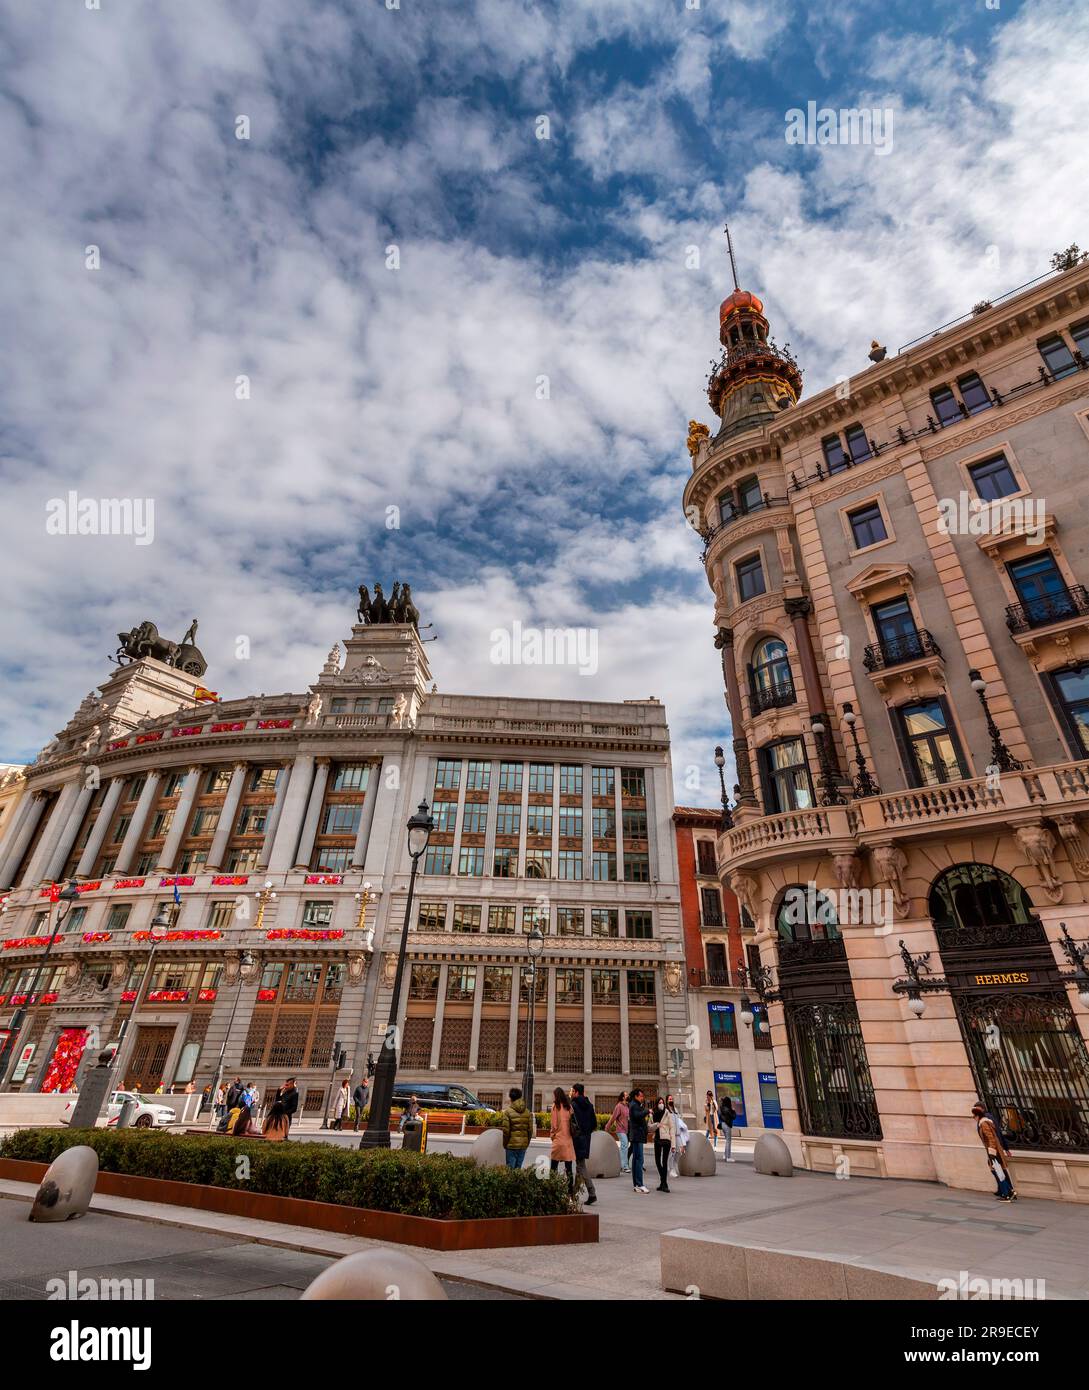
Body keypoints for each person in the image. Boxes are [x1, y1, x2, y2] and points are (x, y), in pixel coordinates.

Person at [972, 1101, 1016, 1201]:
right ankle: (1008, 1191)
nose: (973, 1118)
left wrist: (992, 1153)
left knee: (998, 1171)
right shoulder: (986, 1120)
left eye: (974, 1115)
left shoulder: (984, 1122)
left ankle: (1007, 1193)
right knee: (998, 1170)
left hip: (994, 1151)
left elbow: (992, 1138)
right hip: (996, 1150)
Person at [569, 1082, 598, 1206]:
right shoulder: (589, 1105)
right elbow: (594, 1124)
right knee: (580, 1165)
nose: (570, 1093)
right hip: (586, 1138)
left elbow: (569, 1123)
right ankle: (574, 1193)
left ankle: (592, 1192)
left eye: (572, 1091)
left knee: (581, 1166)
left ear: (576, 1092)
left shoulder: (573, 1105)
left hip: (576, 1138)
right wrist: (586, 1132)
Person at [549, 1085, 575, 1193]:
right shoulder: (568, 1106)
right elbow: (573, 1120)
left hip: (558, 1140)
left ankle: (552, 1189)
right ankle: (570, 1191)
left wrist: (552, 1136)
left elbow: (554, 1125)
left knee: (553, 1167)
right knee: (568, 1168)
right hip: (568, 1140)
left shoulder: (555, 1106)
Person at [500, 1086, 534, 1169]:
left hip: (511, 1146)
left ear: (511, 1098)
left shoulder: (508, 1112)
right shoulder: (527, 1112)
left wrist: (505, 1144)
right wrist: (526, 1143)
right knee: (518, 1169)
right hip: (523, 1145)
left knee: (510, 1169)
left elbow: (506, 1131)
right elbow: (530, 1130)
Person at [628, 1087, 650, 1193]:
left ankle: (637, 1184)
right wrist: (646, 1111)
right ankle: (639, 1184)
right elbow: (637, 1116)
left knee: (636, 1160)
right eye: (641, 1096)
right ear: (636, 1096)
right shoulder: (634, 1105)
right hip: (637, 1136)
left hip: (637, 1136)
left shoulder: (635, 1104)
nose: (642, 1098)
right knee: (639, 1160)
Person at [652, 1094, 674, 1192]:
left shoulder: (667, 1113)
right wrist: (656, 1125)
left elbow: (672, 1128)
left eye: (662, 1102)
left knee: (664, 1162)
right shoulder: (653, 1114)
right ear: (656, 1104)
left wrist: (673, 1144)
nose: (661, 1104)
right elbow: (649, 1127)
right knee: (657, 1162)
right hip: (657, 1139)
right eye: (659, 1103)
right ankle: (663, 1182)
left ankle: (664, 1184)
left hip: (666, 1140)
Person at [607, 1091, 630, 1172]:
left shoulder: (627, 1106)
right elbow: (613, 1117)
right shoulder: (619, 1106)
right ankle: (625, 1166)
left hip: (626, 1130)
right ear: (623, 1097)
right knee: (624, 1145)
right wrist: (607, 1126)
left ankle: (620, 1164)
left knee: (624, 1146)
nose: (628, 1096)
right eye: (626, 1095)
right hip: (620, 1129)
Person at [669, 1097, 688, 1179]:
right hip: (671, 1134)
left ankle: (674, 1165)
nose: (671, 1100)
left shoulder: (675, 1110)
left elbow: (679, 1120)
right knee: (672, 1153)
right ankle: (671, 1169)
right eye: (669, 1099)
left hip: (678, 1134)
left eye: (672, 1099)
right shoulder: (667, 1111)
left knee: (679, 1151)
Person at [718, 1094, 736, 1161]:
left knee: (727, 1141)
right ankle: (728, 1157)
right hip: (727, 1125)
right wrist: (733, 1111)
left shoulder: (721, 1108)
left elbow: (719, 1115)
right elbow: (733, 1116)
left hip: (722, 1124)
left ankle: (725, 1155)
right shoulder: (728, 1109)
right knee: (728, 1141)